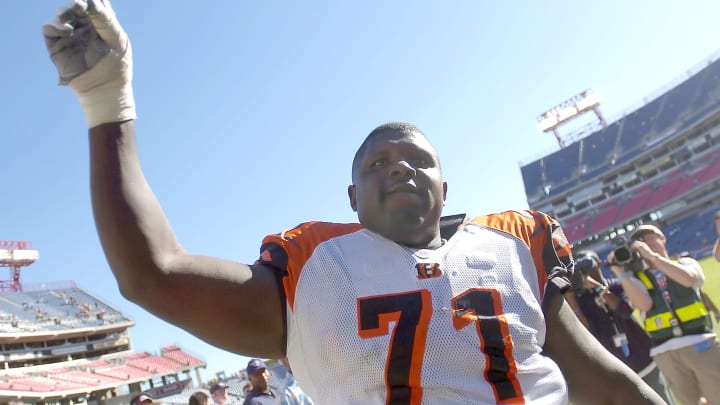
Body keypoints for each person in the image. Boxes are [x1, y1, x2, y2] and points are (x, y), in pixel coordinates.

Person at [41, 1, 665, 404]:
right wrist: (107, 104)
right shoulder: (315, 269)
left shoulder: (513, 245)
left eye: (418, 160)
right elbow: (154, 274)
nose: (398, 166)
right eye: (376, 163)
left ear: (446, 190)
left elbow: (605, 388)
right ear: (352, 200)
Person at [606, 224, 720, 405]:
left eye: (650, 237)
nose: (646, 243)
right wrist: (619, 272)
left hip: (700, 340)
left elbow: (689, 279)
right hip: (666, 350)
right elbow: (644, 304)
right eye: (640, 241)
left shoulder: (685, 262)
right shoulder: (637, 278)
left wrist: (653, 257)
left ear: (663, 238)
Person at [564, 250, 674, 404]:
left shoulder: (616, 285)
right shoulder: (581, 300)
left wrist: (598, 288)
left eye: (588, 266)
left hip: (643, 360)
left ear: (599, 264)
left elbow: (625, 310)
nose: (585, 273)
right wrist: (570, 297)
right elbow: (585, 331)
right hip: (617, 372)